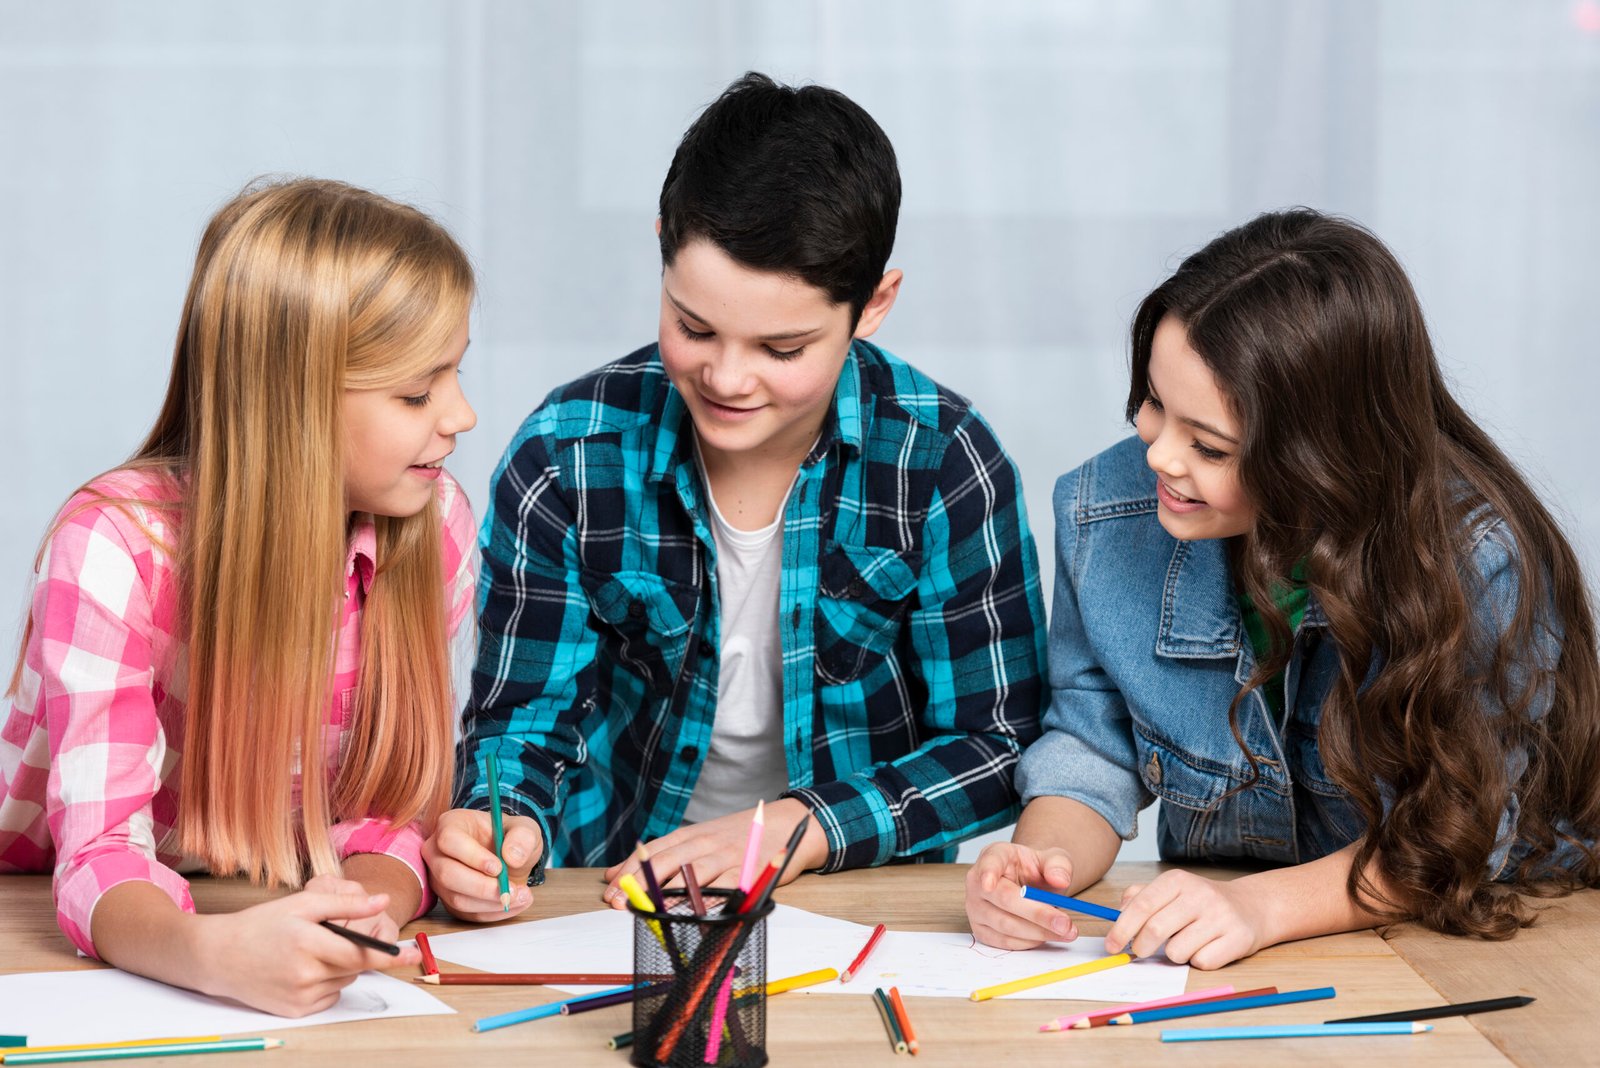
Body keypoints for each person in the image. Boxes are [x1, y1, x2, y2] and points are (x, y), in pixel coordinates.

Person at [424, 72, 1047, 922]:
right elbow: (519, 723)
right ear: (661, 250)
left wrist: (801, 829)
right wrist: (505, 829)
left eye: (781, 348)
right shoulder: (567, 454)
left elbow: (1000, 742)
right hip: (610, 898)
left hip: (854, 901)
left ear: (874, 306)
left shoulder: (943, 462)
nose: (725, 378)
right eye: (693, 326)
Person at [965, 208, 1600, 969]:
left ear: (1320, 457)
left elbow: (1448, 837)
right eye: (1154, 403)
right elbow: (1093, 743)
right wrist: (1039, 864)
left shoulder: (1476, 562)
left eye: (1209, 445)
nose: (1160, 456)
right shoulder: (1104, 511)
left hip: (1475, 940)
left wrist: (1258, 908)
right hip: (1227, 946)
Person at [0, 178, 480, 1014]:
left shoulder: (435, 524)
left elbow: (385, 818)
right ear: (291, 402)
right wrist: (211, 957)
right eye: (417, 392)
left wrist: (358, 923)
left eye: (456, 375)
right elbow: (100, 854)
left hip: (257, 887)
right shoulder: (113, 545)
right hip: (49, 905)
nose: (463, 415)